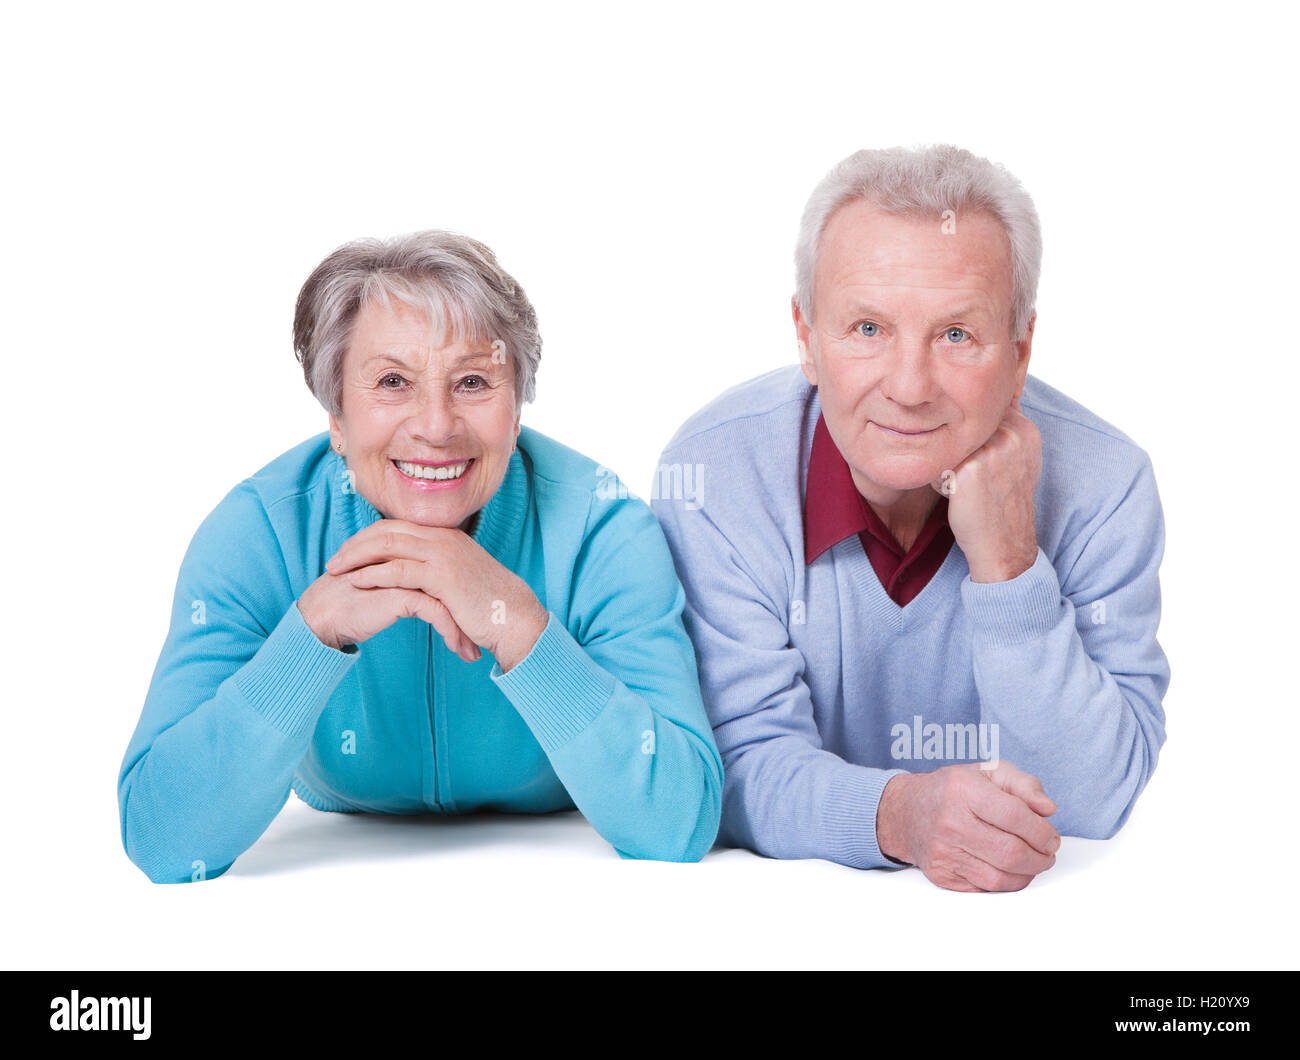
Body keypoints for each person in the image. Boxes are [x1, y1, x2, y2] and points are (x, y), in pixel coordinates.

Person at [118, 230, 722, 883]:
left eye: (471, 381)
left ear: (516, 409)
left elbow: (677, 823)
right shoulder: (258, 531)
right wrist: (311, 636)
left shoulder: (603, 529)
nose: (436, 426)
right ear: (338, 419)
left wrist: (520, 626)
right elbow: (162, 838)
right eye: (391, 381)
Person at [651, 145, 1169, 892]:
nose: (910, 386)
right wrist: (900, 816)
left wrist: (1011, 570)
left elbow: (1093, 798)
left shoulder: (1108, 485)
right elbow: (731, 764)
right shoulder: (713, 478)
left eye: (957, 334)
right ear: (805, 337)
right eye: (867, 329)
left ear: (1021, 350)